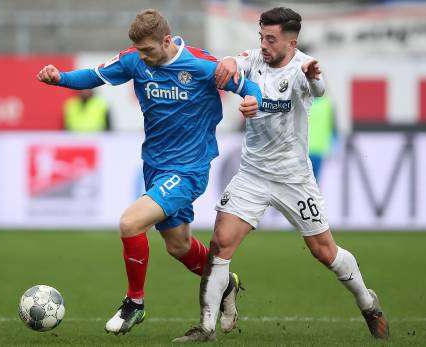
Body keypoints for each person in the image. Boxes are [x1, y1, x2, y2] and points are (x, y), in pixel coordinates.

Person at [37, 9, 262, 335]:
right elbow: (93, 75)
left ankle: (135, 303)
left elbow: (249, 88)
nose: (144, 57)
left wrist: (252, 102)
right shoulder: (134, 60)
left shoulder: (201, 66)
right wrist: (60, 79)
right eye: (140, 51)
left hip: (189, 169)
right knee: (178, 246)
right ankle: (224, 283)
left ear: (167, 41)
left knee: (130, 223)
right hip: (155, 166)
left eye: (149, 50)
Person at [174, 7, 388, 342]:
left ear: (291, 41)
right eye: (261, 36)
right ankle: (206, 326)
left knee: (324, 251)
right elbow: (236, 61)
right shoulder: (255, 58)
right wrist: (229, 61)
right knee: (220, 244)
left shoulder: (303, 67)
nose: (264, 44)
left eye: (271, 38)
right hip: (252, 175)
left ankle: (367, 301)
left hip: (293, 179)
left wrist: (315, 76)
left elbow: (318, 90)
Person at [308, 94, 335, 181]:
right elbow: (334, 129)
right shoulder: (327, 104)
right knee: (314, 183)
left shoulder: (302, 102)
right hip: (318, 150)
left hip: (305, 150)